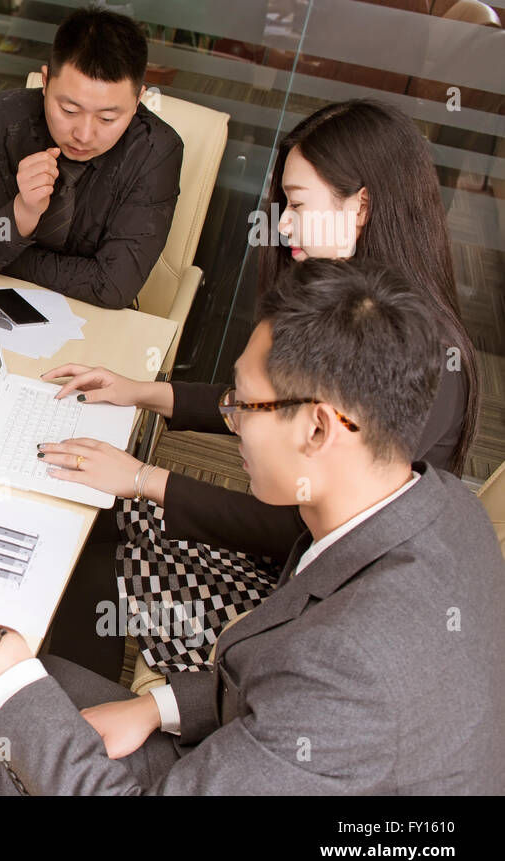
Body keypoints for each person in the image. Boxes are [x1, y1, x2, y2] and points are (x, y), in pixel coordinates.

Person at [0, 260, 505, 794]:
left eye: (243, 404)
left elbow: (314, 691)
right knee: (26, 685)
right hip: (259, 752)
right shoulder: (442, 504)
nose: (229, 420)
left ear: (319, 428)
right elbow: (278, 685)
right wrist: (158, 706)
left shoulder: (352, 671)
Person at [38, 98, 480, 679]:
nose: (284, 224)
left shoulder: (416, 358)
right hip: (301, 569)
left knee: (108, 527)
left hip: (301, 606)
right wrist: (144, 393)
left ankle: (79, 712)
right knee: (105, 515)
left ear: (362, 204)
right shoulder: (361, 306)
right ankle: (77, 701)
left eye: (297, 205)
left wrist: (146, 480)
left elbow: (297, 521)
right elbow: (270, 404)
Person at [0, 7, 182, 309]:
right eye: (68, 111)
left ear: (137, 101)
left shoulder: (155, 151)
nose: (84, 134)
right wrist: (22, 212)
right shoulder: (3, 119)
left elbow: (113, 287)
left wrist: (8, 255)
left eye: (107, 118)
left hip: (97, 324)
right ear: (45, 80)